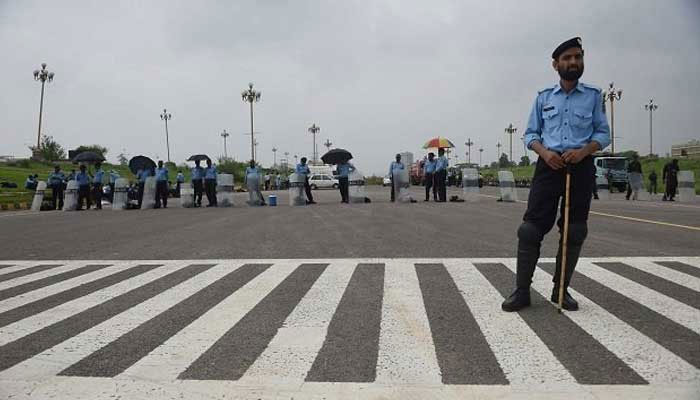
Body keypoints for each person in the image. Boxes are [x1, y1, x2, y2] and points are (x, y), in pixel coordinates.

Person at [501, 37, 610, 312]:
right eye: (567, 58)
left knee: (574, 230)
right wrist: (544, 152)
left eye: (577, 57)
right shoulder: (543, 97)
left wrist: (584, 151)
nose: (573, 62)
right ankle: (521, 291)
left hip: (580, 168)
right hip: (548, 167)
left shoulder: (594, 96)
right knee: (530, 230)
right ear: (556, 64)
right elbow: (530, 134)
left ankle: (561, 291)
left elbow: (602, 133)